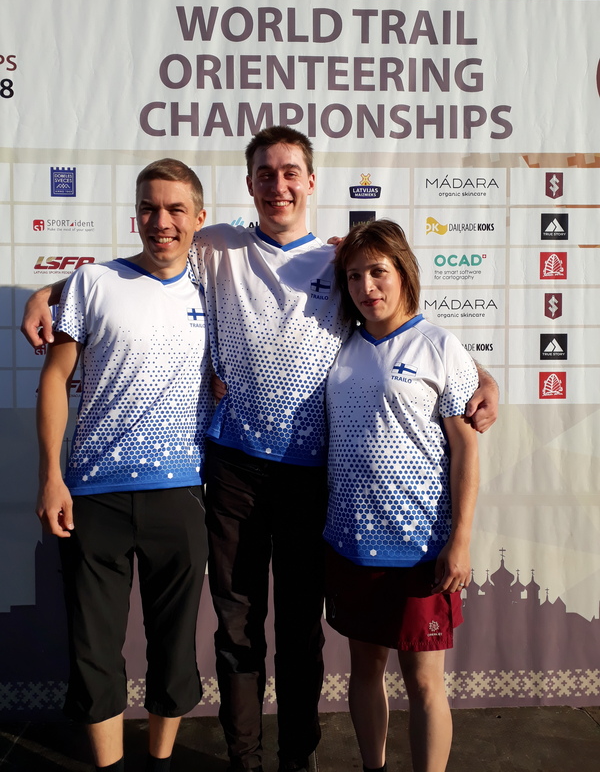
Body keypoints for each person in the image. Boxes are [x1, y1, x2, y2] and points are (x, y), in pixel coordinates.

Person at [23, 127, 498, 772]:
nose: (279, 185)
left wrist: (481, 378)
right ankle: (245, 759)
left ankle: (296, 760)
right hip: (233, 472)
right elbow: (141, 264)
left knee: (300, 633)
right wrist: (50, 292)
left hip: (311, 478)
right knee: (237, 630)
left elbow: (404, 333)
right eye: (266, 174)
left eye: (290, 172)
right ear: (249, 185)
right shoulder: (218, 245)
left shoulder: (340, 263)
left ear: (311, 182)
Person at [35, 159, 213, 772]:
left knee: (174, 651)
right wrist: (51, 476)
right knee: (94, 652)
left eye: (175, 209)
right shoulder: (92, 281)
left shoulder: (216, 290)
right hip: (93, 496)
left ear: (199, 218)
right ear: (135, 214)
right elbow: (55, 379)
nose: (161, 221)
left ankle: (159, 764)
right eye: (148, 208)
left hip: (182, 494)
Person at [324, 218, 479, 772]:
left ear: (404, 272)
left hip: (421, 550)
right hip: (351, 544)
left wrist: (460, 540)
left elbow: (466, 449)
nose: (367, 287)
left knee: (424, 682)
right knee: (365, 669)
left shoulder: (440, 345)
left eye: (378, 272)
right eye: (354, 276)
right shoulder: (339, 345)